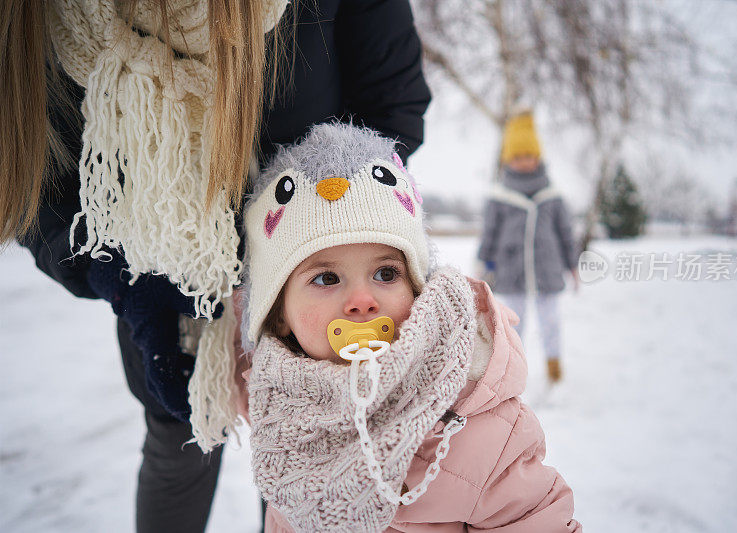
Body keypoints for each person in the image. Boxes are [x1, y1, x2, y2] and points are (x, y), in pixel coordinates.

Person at [2, 1, 431, 531]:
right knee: (178, 443)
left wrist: (329, 232)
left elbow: (392, 104)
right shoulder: (39, 15)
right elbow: (34, 176)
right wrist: (117, 275)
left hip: (317, 286)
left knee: (311, 453)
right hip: (161, 277)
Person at [237, 123, 581, 532]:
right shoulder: (281, 415)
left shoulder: (474, 419)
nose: (363, 300)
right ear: (278, 314)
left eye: (385, 273)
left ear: (418, 289)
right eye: (327, 279)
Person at [477, 111, 578, 384]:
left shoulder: (552, 196)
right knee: (514, 325)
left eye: (528, 155)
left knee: (551, 322)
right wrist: (483, 264)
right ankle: (513, 371)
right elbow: (490, 234)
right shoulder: (500, 196)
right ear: (509, 159)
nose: (523, 162)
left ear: (538, 157)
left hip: (547, 269)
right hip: (512, 270)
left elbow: (566, 233)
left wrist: (573, 265)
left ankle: (554, 367)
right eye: (517, 156)